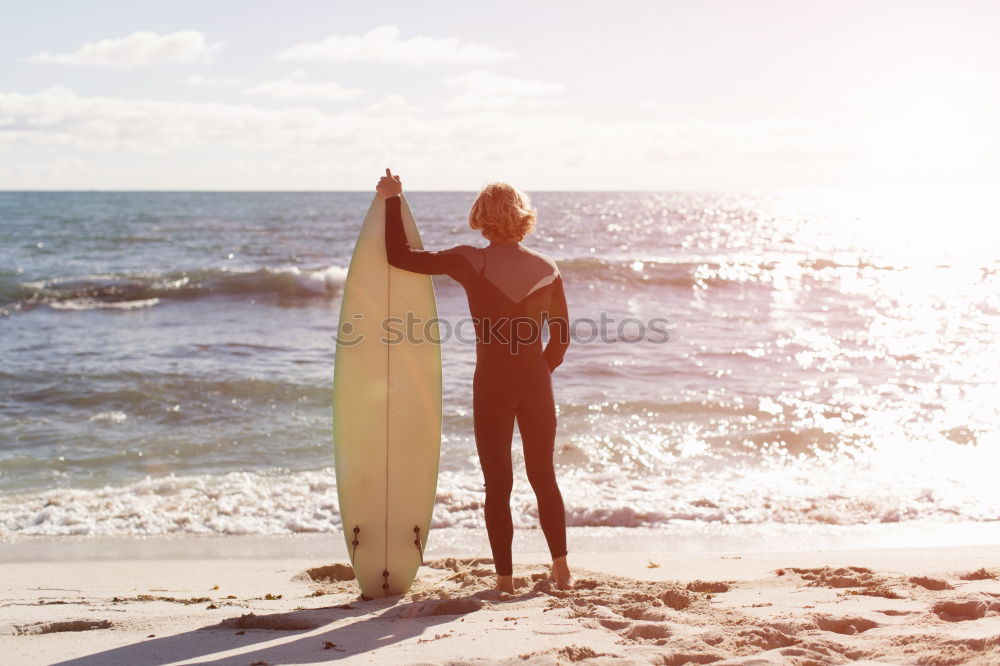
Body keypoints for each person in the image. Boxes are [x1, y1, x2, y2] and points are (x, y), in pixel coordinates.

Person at [376, 168, 573, 593]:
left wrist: (393, 200)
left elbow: (401, 256)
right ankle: (562, 570)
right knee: (544, 476)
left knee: (498, 483)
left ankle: (505, 581)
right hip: (537, 386)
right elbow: (561, 339)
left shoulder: (471, 260)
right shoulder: (548, 268)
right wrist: (537, 372)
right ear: (523, 217)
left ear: (481, 216)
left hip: (493, 387)